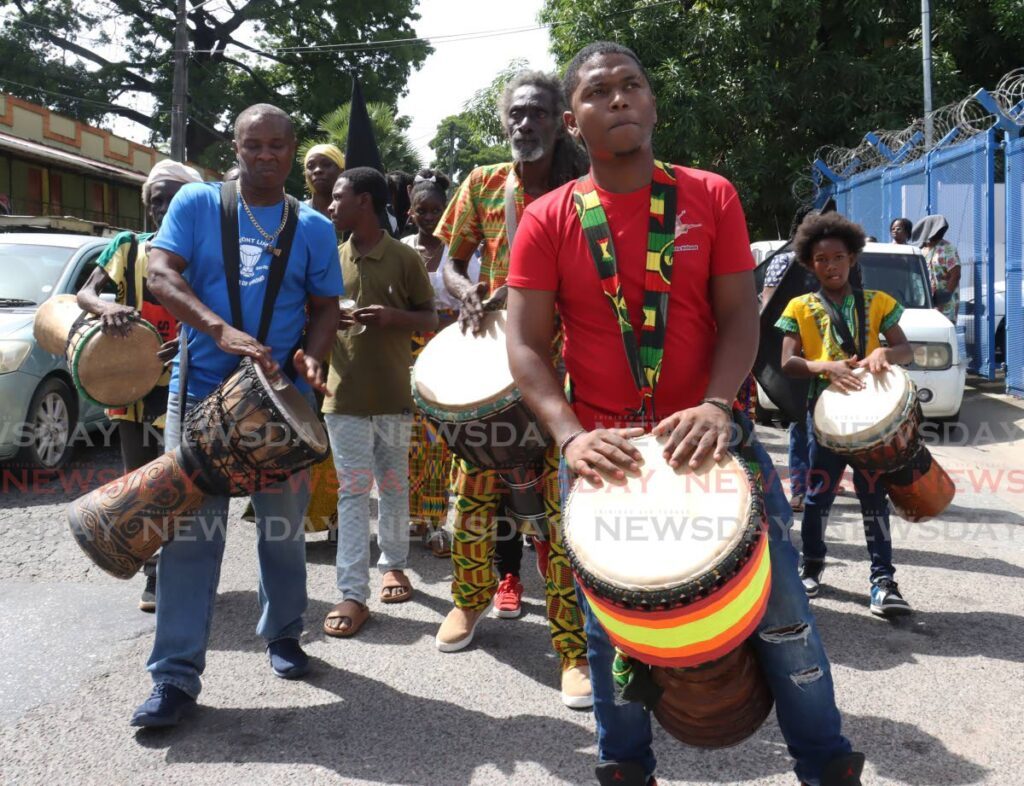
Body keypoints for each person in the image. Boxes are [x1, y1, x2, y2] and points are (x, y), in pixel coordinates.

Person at [506, 42, 864, 786]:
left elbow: (740, 318)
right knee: (612, 636)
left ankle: (825, 766)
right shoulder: (545, 219)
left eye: (632, 84)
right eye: (598, 92)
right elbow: (525, 347)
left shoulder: (710, 194)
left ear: (652, 102)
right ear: (574, 121)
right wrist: (569, 437)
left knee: (785, 618)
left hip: (715, 442)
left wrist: (711, 402)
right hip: (606, 456)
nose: (618, 99)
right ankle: (625, 767)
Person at [135, 103, 344, 727]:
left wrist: (315, 355)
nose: (266, 156)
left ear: (291, 148)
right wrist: (218, 328)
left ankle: (282, 632)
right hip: (201, 393)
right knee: (190, 538)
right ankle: (173, 677)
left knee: (282, 531)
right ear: (236, 147)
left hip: (279, 401)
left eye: (278, 146)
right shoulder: (196, 205)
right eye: (253, 146)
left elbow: (326, 306)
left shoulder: (311, 227)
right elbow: (161, 274)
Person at [434, 69, 593, 709]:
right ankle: (468, 604)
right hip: (491, 373)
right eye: (516, 114)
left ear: (560, 121)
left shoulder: (584, 189)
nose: (525, 123)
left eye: (538, 113)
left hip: (564, 372)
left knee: (559, 517)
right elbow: (445, 260)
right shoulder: (481, 184)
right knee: (473, 502)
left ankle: (574, 649)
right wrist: (463, 286)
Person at [76, 159, 202, 612]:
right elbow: (86, 293)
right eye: (155, 200)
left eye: (171, 198)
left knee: (180, 480)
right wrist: (104, 309)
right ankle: (154, 575)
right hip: (131, 383)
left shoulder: (200, 249)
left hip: (186, 381)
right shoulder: (127, 247)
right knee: (138, 481)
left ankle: (182, 569)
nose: (162, 207)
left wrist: (191, 341)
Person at [777, 211, 913, 617]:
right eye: (821, 260)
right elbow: (787, 362)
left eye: (838, 257)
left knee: (875, 497)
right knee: (819, 498)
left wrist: (883, 352)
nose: (831, 266)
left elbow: (907, 350)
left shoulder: (879, 303)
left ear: (853, 257)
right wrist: (825, 367)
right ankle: (812, 565)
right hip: (825, 420)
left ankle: (883, 581)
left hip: (873, 425)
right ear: (808, 263)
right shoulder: (799, 307)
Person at [321, 167, 438, 638]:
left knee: (392, 484)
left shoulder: (404, 258)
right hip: (342, 395)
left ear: (364, 202)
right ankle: (352, 592)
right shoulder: (332, 259)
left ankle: (394, 564)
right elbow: (317, 316)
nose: (331, 206)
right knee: (352, 491)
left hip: (392, 394)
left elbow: (429, 317)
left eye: (338, 197)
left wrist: (393, 317)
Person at [401, 169, 474, 558]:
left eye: (436, 210)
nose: (429, 217)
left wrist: (433, 319)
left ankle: (437, 524)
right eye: (421, 210)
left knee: (442, 444)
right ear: (410, 213)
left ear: (446, 212)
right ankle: (415, 521)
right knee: (412, 443)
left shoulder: (460, 254)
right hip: (405, 355)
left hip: (448, 356)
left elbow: (472, 307)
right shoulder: (402, 248)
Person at [911, 214, 960, 322]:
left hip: (944, 304)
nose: (941, 232)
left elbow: (955, 275)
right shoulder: (921, 250)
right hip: (923, 302)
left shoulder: (947, 248)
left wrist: (943, 299)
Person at [304, 143, 346, 215]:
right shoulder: (296, 213)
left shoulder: (354, 213)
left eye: (326, 164)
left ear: (341, 171)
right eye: (310, 166)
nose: (317, 170)